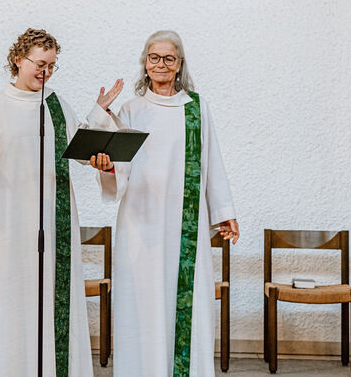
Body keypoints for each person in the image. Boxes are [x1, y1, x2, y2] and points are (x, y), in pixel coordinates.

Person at [0, 28, 122, 377]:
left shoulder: (57, 106)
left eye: (52, 65)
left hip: (55, 227)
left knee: (53, 306)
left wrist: (99, 122)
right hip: (10, 229)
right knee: (11, 307)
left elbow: (79, 147)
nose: (45, 72)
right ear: (18, 60)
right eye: (40, 63)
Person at [88, 30, 240, 377]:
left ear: (179, 64)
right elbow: (118, 164)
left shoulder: (196, 108)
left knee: (186, 302)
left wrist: (224, 213)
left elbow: (212, 161)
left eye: (168, 58)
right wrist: (108, 166)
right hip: (141, 223)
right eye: (154, 57)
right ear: (145, 63)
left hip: (186, 226)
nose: (160, 64)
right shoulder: (131, 110)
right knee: (142, 301)